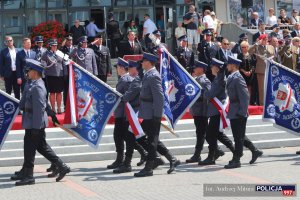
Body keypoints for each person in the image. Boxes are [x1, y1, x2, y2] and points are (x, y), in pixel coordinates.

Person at [14, 59, 70, 186]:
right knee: (41, 147)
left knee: (30, 149)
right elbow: (24, 102)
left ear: (35, 72)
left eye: (29, 70)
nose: (27, 72)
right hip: (31, 121)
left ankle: (29, 176)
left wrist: (36, 127)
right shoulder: (33, 83)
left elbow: (39, 110)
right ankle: (61, 166)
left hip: (35, 123)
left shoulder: (38, 86)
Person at [134, 53, 180, 177]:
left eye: (143, 61)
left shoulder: (154, 76)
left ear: (149, 62)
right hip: (146, 111)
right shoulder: (148, 74)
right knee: (151, 139)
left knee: (152, 141)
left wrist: (157, 116)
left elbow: (159, 98)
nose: (141, 63)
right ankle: (172, 159)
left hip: (152, 113)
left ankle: (149, 167)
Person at [224, 56, 263, 169]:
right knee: (239, 136)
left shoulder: (238, 78)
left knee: (238, 138)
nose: (227, 66)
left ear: (233, 65)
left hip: (238, 112)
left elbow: (245, 97)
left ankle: (236, 160)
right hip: (234, 111)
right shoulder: (232, 77)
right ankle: (255, 151)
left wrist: (241, 112)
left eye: (229, 64)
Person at [198, 58, 235, 165]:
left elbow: (210, 94)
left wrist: (203, 92)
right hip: (215, 110)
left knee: (210, 134)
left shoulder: (219, 79)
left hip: (217, 110)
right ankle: (232, 152)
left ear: (217, 68)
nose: (210, 68)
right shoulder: (217, 78)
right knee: (215, 134)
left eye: (212, 66)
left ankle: (212, 157)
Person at [107, 58, 136, 174]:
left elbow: (128, 98)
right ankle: (120, 159)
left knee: (122, 137)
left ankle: (122, 160)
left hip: (124, 113)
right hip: (120, 112)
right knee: (118, 136)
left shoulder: (127, 80)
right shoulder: (123, 79)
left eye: (117, 68)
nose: (116, 70)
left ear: (122, 68)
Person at [186, 60, 209, 163]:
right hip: (196, 111)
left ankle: (197, 154)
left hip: (202, 111)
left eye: (196, 67)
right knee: (201, 132)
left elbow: (208, 95)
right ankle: (216, 150)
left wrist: (197, 96)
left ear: (201, 69)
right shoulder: (196, 79)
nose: (194, 69)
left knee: (201, 133)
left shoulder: (205, 81)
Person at [248, 34, 274, 106]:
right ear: (261, 40)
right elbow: (249, 51)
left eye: (266, 39)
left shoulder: (271, 47)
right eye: (264, 39)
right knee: (261, 88)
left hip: (269, 69)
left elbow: (274, 55)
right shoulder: (257, 47)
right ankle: (262, 104)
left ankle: (269, 102)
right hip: (261, 70)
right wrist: (256, 44)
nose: (266, 40)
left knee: (269, 87)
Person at [41, 39, 64, 114]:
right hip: (50, 75)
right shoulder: (45, 54)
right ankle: (53, 108)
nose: (55, 47)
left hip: (60, 75)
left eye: (56, 45)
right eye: (53, 45)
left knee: (59, 92)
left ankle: (59, 108)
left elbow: (65, 63)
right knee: (52, 93)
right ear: (50, 46)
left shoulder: (60, 53)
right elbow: (43, 65)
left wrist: (65, 74)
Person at [0, 36, 21, 100]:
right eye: (7, 41)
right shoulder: (3, 52)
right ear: (5, 43)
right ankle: (9, 108)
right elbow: (1, 64)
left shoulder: (19, 51)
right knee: (8, 92)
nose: (9, 42)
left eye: (10, 40)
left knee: (17, 92)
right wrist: (1, 75)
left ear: (13, 41)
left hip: (17, 74)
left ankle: (18, 108)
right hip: (8, 75)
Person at [60, 34, 75, 108]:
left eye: (71, 40)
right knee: (66, 89)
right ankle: (66, 105)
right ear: (66, 41)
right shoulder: (62, 49)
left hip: (74, 71)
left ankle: (74, 105)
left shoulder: (75, 48)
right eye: (68, 40)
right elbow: (60, 55)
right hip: (66, 72)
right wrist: (62, 46)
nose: (70, 42)